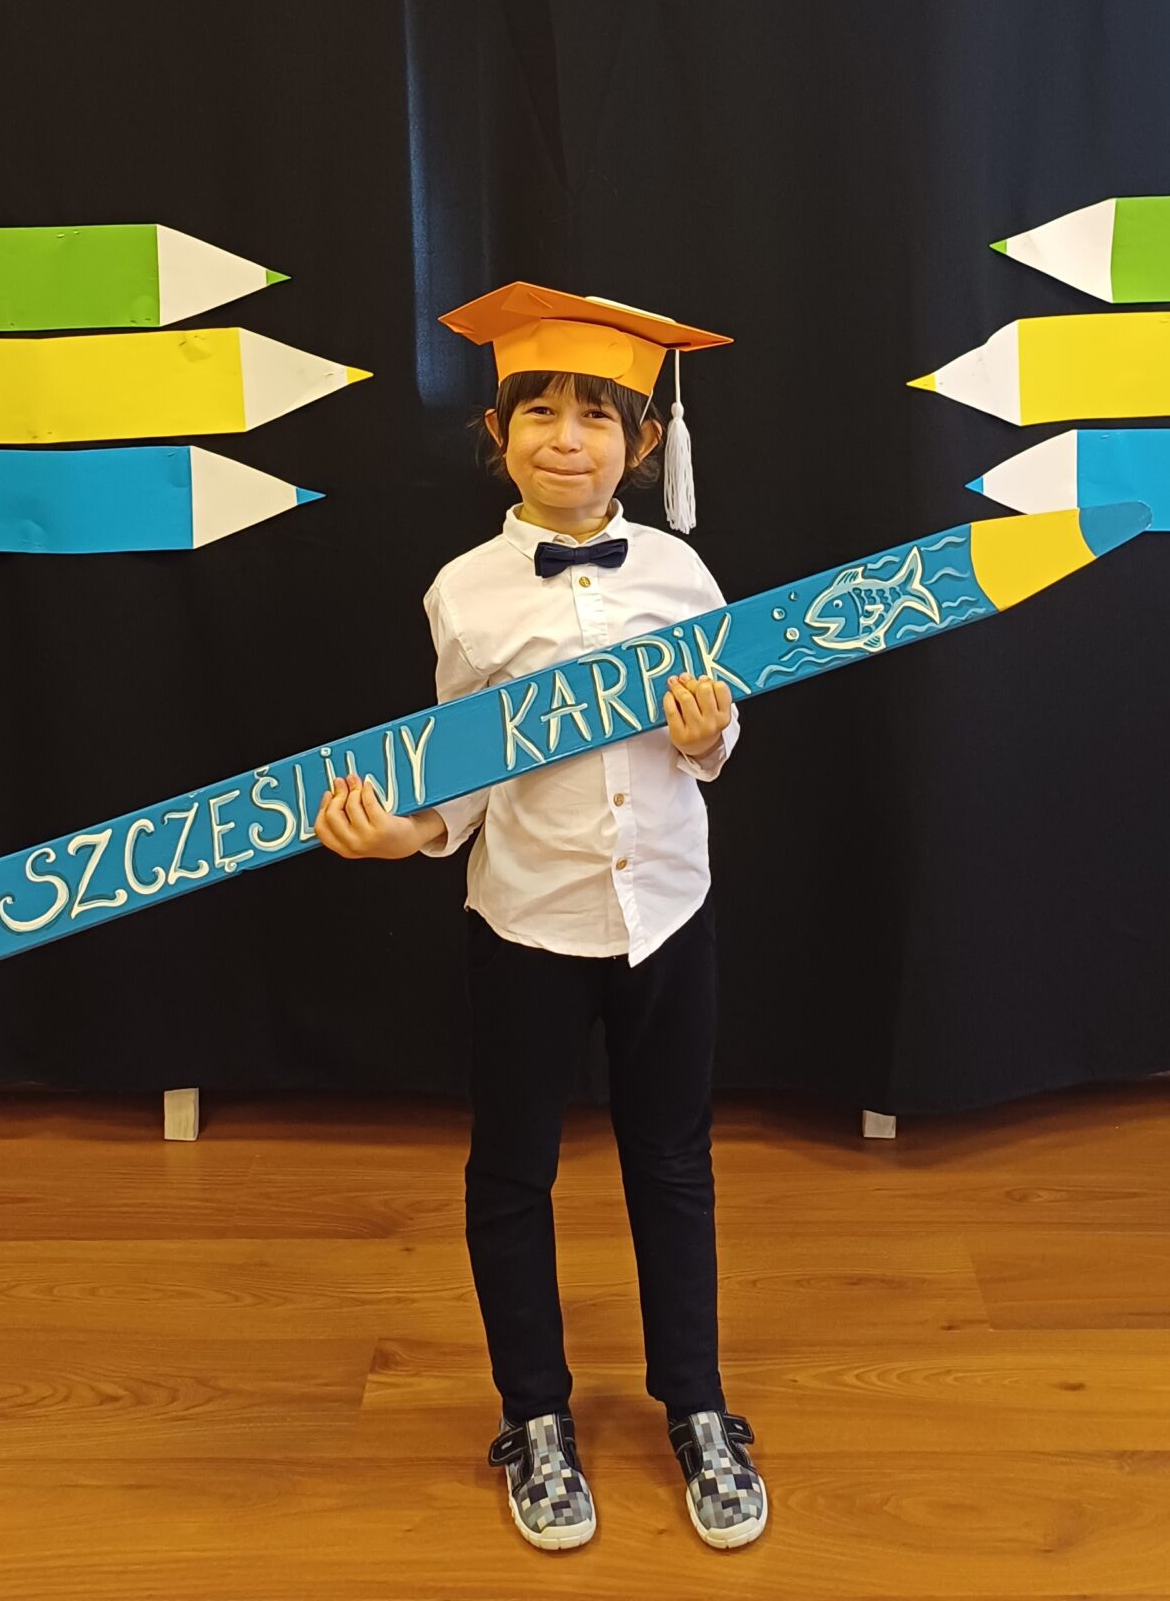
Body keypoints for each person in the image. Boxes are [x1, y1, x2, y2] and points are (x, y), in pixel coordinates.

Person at [316, 282, 770, 1555]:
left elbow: (715, 743)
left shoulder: (684, 574)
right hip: (527, 919)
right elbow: (459, 770)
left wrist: (711, 733)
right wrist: (406, 831)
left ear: (643, 439)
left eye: (597, 416)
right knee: (514, 1169)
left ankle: (698, 1406)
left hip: (666, 908)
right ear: (497, 431)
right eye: (540, 413)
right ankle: (536, 1415)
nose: (567, 439)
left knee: (672, 1160)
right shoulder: (465, 593)